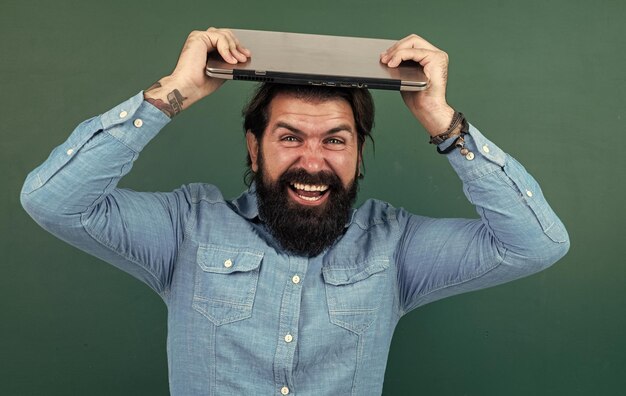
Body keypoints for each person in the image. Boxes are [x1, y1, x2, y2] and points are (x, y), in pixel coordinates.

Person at [21, 28, 570, 395]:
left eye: (335, 140)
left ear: (359, 153)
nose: (313, 161)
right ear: (254, 147)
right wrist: (174, 92)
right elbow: (53, 201)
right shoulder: (184, 229)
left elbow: (536, 244)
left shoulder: (397, 247)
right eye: (289, 137)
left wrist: (443, 122)